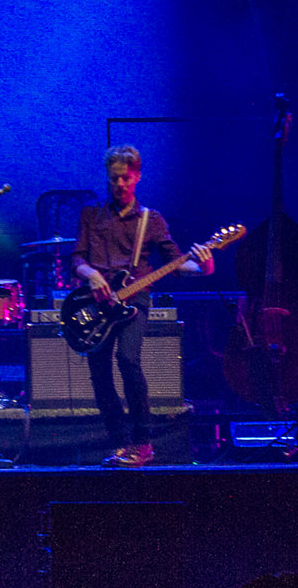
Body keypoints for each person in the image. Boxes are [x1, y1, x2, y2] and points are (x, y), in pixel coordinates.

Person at [69, 144, 212, 467]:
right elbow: (76, 258)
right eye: (114, 178)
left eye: (125, 178)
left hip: (136, 300)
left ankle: (143, 442)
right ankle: (121, 444)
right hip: (98, 302)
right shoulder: (91, 214)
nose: (119, 184)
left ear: (137, 177)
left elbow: (177, 264)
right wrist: (91, 274)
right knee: (99, 372)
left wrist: (204, 267)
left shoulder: (152, 220)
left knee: (127, 359)